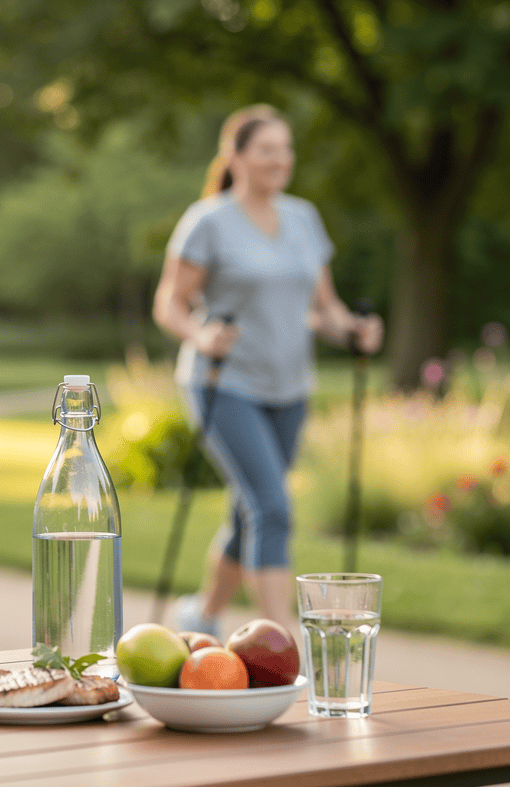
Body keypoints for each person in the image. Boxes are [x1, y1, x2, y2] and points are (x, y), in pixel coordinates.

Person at [152, 104, 384, 637]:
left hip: (290, 388)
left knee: (251, 509)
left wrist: (353, 330)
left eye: (286, 149)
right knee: (272, 507)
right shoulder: (208, 221)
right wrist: (199, 335)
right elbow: (169, 302)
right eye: (266, 150)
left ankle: (201, 615)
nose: (280, 160)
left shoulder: (303, 218)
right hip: (225, 383)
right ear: (235, 156)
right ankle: (283, 643)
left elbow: (322, 308)